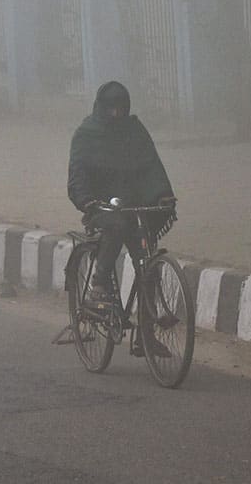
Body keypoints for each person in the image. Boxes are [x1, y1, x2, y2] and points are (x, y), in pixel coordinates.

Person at [67, 81, 174, 357]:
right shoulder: (87, 134)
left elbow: (152, 164)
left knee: (148, 264)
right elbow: (77, 173)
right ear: (102, 108)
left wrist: (162, 194)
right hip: (101, 206)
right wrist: (87, 200)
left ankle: (146, 337)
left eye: (121, 109)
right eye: (112, 109)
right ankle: (99, 283)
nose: (117, 114)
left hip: (134, 203)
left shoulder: (134, 130)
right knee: (116, 227)